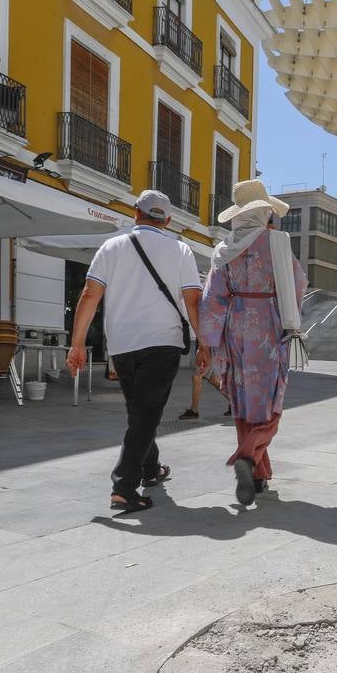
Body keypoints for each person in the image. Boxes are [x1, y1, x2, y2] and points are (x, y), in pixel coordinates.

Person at [68, 190, 204, 513]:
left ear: (135, 213)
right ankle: (124, 488)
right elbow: (193, 301)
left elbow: (89, 295)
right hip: (163, 342)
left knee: (140, 411)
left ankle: (150, 469)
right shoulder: (181, 250)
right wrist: (205, 343)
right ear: (168, 221)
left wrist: (77, 343)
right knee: (145, 414)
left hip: (122, 346)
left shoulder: (111, 247)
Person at [199, 178, 307, 506]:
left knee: (244, 401)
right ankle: (246, 457)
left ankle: (258, 476)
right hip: (269, 327)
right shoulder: (276, 243)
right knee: (271, 401)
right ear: (263, 213)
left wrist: (208, 342)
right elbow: (298, 283)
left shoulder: (223, 249)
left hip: (235, 326)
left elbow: (213, 298)